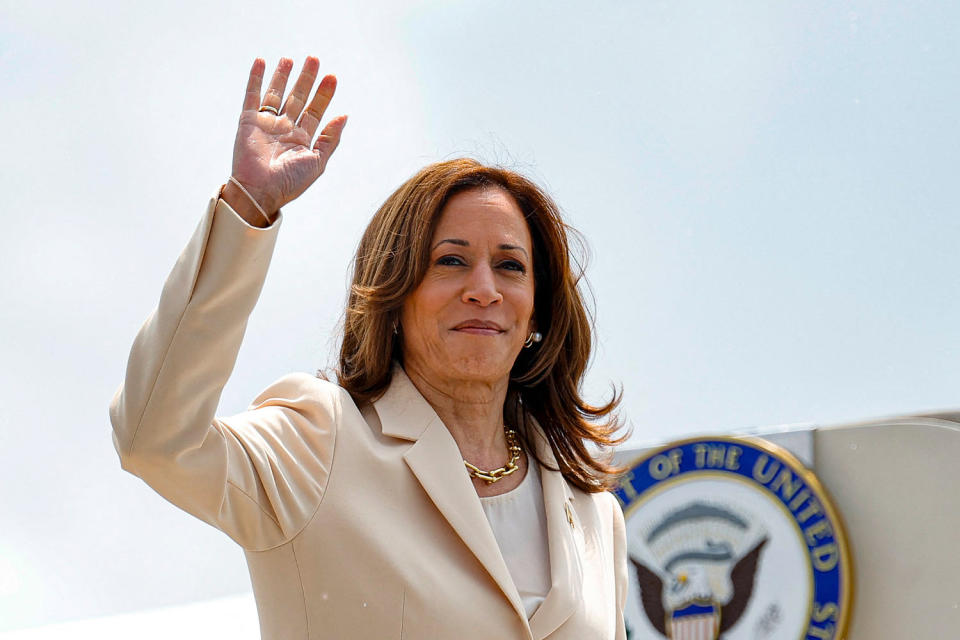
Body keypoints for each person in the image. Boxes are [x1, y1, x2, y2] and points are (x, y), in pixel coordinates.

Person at [109, 56, 629, 639]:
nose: (484, 290)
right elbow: (155, 440)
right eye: (450, 261)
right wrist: (247, 211)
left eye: (509, 266)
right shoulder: (321, 442)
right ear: (395, 293)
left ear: (539, 310)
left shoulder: (596, 516)